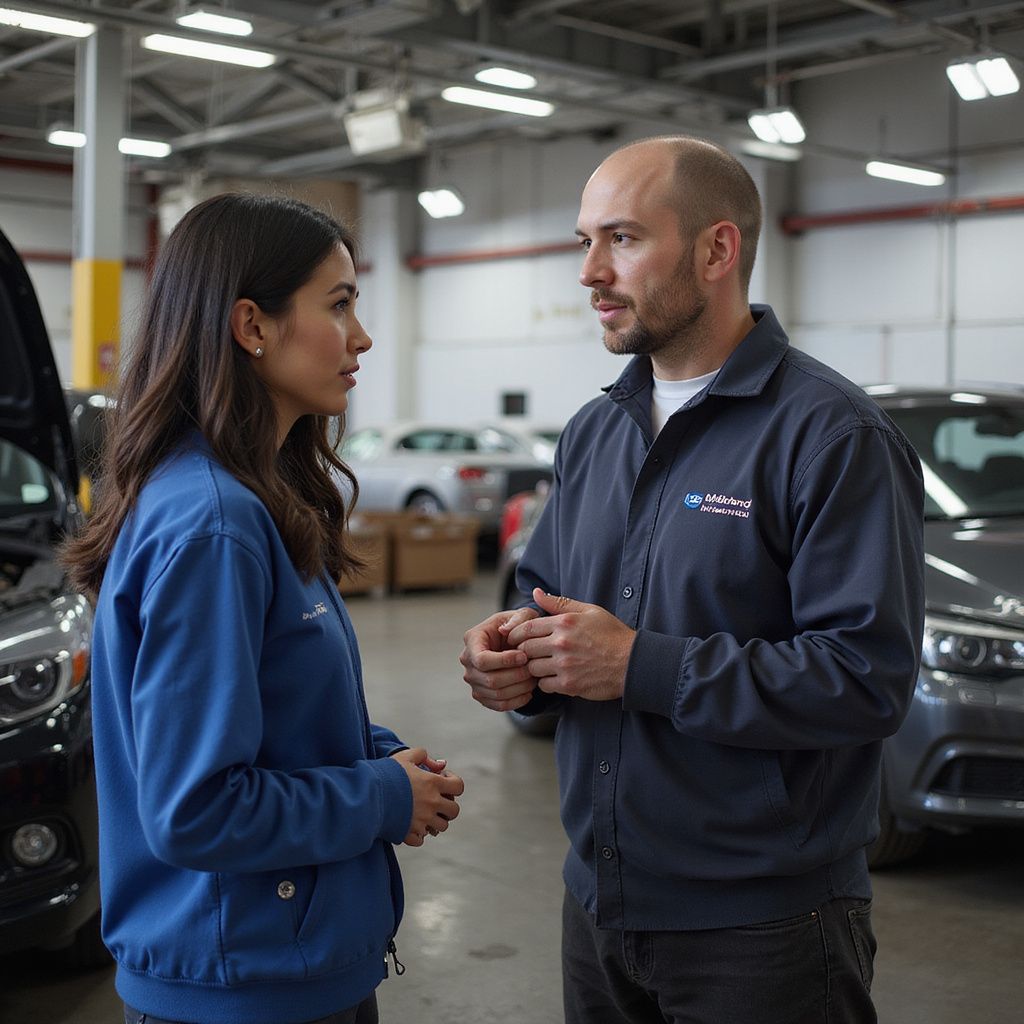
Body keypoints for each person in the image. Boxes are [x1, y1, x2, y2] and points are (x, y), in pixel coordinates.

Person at [460, 136, 925, 1024]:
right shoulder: (594, 433)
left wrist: (639, 665)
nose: (592, 272)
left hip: (764, 929)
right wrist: (513, 659)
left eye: (624, 239)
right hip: (597, 902)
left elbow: (866, 681)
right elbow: (548, 599)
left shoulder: (830, 437)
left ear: (719, 250)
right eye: (584, 241)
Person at [63, 193, 464, 1024]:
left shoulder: (254, 498)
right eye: (340, 304)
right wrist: (381, 799)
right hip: (243, 987)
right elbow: (198, 809)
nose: (362, 338)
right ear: (252, 325)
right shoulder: (216, 524)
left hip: (270, 963)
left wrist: (381, 759)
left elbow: (267, 718)